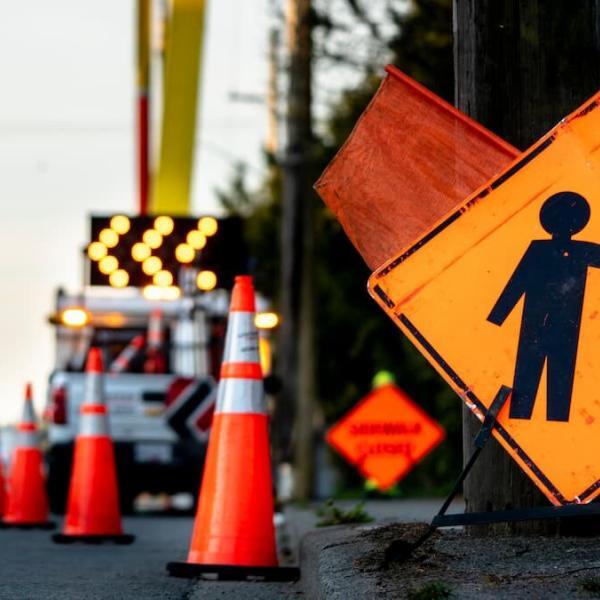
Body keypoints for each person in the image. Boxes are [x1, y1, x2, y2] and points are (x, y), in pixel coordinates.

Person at [487, 191, 600, 422]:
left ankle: (556, 422)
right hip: (536, 321)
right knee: (527, 376)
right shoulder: (539, 249)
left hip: (566, 324)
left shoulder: (582, 250)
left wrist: (497, 318)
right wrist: (496, 317)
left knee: (561, 376)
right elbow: (516, 283)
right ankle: (521, 418)